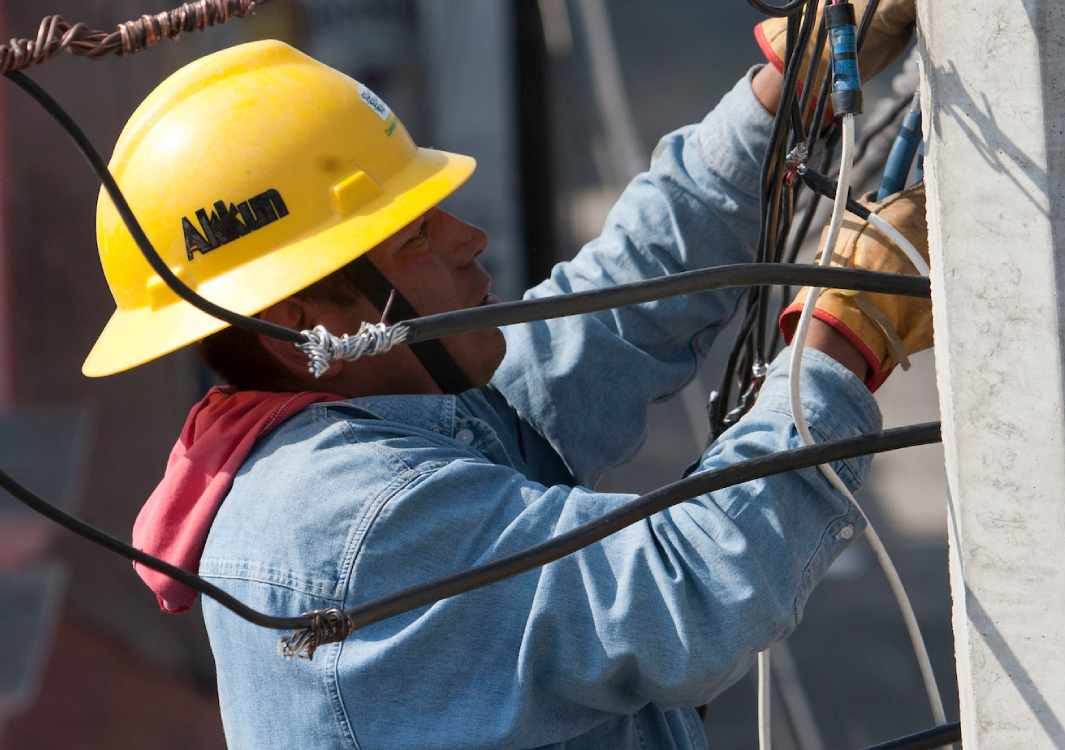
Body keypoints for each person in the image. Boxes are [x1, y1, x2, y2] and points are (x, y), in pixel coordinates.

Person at [87, 4, 929, 747]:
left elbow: (611, 315)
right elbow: (689, 594)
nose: (469, 239)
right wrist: (842, 338)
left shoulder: (382, 410)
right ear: (304, 325)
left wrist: (789, 88)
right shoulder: (350, 522)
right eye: (414, 236)